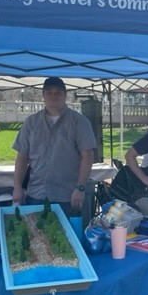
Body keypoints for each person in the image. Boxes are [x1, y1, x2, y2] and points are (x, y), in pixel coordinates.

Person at [12, 77, 97, 216]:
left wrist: (80, 188)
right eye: (49, 92)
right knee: (36, 236)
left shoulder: (79, 122)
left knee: (67, 236)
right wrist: (17, 186)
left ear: (65, 95)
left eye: (58, 92)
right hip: (36, 194)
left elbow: (87, 156)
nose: (53, 96)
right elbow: (22, 156)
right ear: (43, 96)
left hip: (68, 196)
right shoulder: (31, 122)